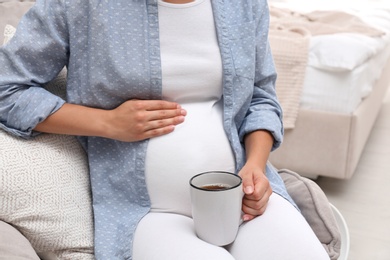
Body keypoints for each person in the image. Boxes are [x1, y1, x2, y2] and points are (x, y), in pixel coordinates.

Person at [0, 0, 330, 259]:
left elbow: (261, 96)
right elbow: (7, 90)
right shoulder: (79, 5)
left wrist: (255, 165)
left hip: (241, 203)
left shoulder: (244, 4)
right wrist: (108, 123)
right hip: (150, 213)